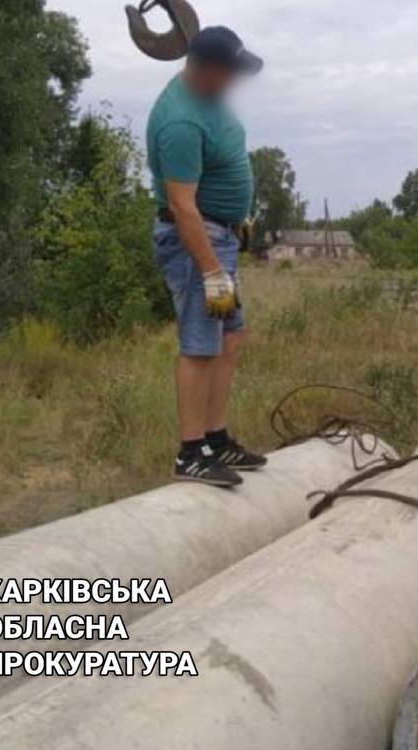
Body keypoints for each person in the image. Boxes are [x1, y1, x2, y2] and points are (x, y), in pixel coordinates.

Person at [147, 26, 268, 487]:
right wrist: (211, 270)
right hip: (196, 243)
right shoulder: (180, 122)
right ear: (207, 69)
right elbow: (181, 207)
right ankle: (190, 453)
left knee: (230, 337)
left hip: (220, 241)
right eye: (229, 73)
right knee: (200, 345)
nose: (234, 81)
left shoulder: (206, 93)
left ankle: (215, 440)